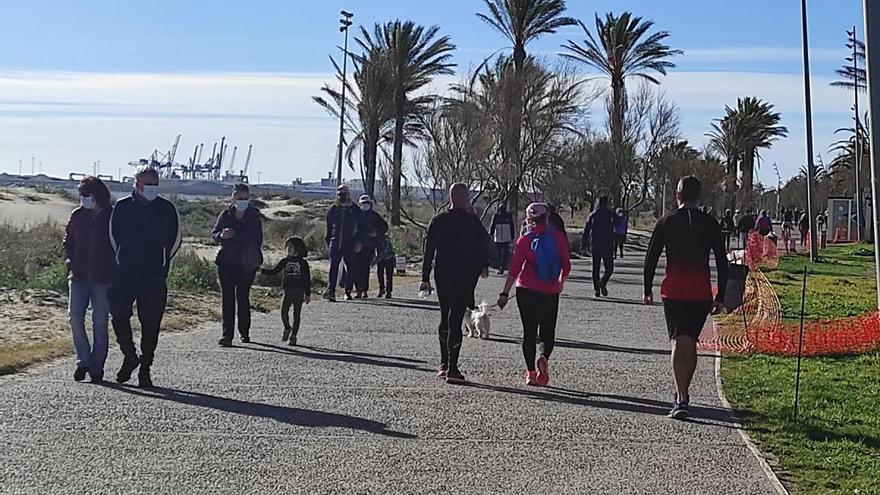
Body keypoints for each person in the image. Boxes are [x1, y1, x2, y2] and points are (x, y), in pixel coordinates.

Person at [643, 176, 728, 420]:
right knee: (689, 340)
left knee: (678, 340)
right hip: (701, 291)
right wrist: (720, 295)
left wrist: (647, 287)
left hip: (675, 291)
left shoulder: (666, 221)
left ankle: (681, 397)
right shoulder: (710, 223)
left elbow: (651, 256)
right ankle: (684, 393)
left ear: (677, 195)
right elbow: (722, 261)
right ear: (698, 196)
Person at [108, 166, 181, 388]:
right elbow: (113, 236)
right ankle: (130, 356)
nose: (151, 187)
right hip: (124, 274)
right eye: (147, 183)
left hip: (154, 276)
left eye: (155, 183)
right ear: (136, 184)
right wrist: (120, 260)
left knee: (151, 324)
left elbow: (175, 239)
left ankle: (145, 369)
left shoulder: (167, 209)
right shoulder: (121, 207)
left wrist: (163, 263)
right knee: (119, 316)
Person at [420, 183, 490, 384]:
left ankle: (443, 364)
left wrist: (425, 277)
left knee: (445, 315)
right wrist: (485, 265)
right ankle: (452, 367)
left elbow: (429, 251)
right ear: (462, 198)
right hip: (463, 275)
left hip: (443, 273)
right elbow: (483, 246)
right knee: (456, 318)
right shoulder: (472, 221)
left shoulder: (438, 220)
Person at [497, 203, 570, 387]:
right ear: (547, 218)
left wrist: (505, 293)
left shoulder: (524, 240)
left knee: (529, 332)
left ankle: (530, 373)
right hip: (550, 291)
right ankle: (543, 357)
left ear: (529, 220)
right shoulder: (559, 238)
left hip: (526, 290)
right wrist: (560, 283)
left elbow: (514, 269)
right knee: (547, 333)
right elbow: (566, 266)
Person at [63, 176, 115, 383]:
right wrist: (69, 258)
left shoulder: (112, 216)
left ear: (97, 195)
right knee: (74, 317)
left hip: (104, 276)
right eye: (80, 195)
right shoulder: (78, 215)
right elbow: (69, 238)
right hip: (78, 275)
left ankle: (97, 366)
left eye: (86, 194)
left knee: (100, 323)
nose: (83, 199)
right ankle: (82, 360)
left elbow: (118, 242)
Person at [212, 183, 263, 347]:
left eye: (245, 198)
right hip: (226, 262)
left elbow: (257, 240)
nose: (242, 201)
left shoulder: (254, 216)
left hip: (246, 263)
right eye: (239, 198)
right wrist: (221, 235)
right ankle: (227, 335)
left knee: (242, 297)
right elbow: (214, 234)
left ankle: (244, 332)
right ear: (233, 197)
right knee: (227, 299)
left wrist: (235, 235)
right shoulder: (225, 215)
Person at [260, 237, 311, 346]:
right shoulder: (285, 261)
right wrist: (261, 270)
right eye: (287, 246)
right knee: (283, 312)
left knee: (296, 314)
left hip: (299, 291)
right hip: (287, 290)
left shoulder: (303, 263)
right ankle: (287, 327)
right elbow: (274, 271)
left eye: (291, 247)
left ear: (297, 248)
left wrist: (307, 294)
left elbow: (307, 279)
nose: (288, 249)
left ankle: (293, 336)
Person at [324, 185, 360, 302]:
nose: (342, 196)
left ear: (348, 194)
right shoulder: (333, 210)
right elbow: (329, 228)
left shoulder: (355, 209)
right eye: (340, 194)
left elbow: (361, 228)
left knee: (351, 268)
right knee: (333, 267)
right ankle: (331, 291)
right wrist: (328, 242)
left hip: (350, 243)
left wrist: (359, 242)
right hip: (335, 243)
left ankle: (348, 290)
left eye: (344, 194)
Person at [353, 195, 388, 298]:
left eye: (367, 203)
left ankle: (364, 291)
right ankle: (358, 290)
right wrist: (356, 242)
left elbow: (384, 227)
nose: (365, 205)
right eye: (363, 203)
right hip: (357, 246)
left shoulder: (374, 216)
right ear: (360, 204)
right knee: (356, 268)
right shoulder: (356, 216)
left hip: (369, 246)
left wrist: (376, 232)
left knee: (365, 269)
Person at [583, 196, 615, 298]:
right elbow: (617, 226)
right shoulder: (610, 215)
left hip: (595, 244)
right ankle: (603, 281)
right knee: (609, 268)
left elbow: (586, 230)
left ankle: (597, 288)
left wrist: (584, 244)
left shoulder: (593, 215)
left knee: (595, 268)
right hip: (607, 245)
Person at [490, 204, 515, 274]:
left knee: (503, 253)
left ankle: (502, 266)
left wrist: (512, 236)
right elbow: (492, 225)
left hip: (504, 237)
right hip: (500, 237)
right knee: (501, 253)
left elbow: (512, 226)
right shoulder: (496, 216)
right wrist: (491, 234)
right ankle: (501, 266)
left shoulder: (507, 216)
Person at [376, 233, 396, 299]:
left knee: (389, 275)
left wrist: (376, 260)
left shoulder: (384, 238)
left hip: (389, 258)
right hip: (382, 258)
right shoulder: (377, 238)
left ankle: (388, 291)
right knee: (380, 274)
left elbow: (385, 251)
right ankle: (382, 289)